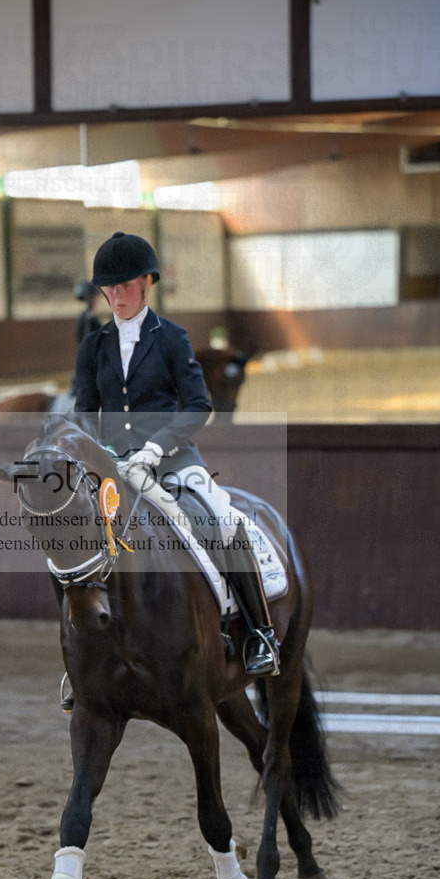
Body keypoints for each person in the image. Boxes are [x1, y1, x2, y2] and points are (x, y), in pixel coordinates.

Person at [73, 231, 279, 678]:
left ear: (147, 283)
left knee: (218, 519)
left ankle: (261, 632)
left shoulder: (172, 338)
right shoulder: (94, 346)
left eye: (126, 286)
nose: (117, 296)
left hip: (172, 462)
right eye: (110, 288)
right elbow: (84, 412)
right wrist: (103, 453)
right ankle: (80, 658)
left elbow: (199, 407)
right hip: (113, 467)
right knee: (75, 541)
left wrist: (152, 449)